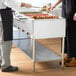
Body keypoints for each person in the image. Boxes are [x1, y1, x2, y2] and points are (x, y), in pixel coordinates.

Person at [0, 0, 32, 72]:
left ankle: (1, 61)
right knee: (6, 41)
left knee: (1, 40)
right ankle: (6, 66)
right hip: (3, 16)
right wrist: (24, 4)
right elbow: (8, 2)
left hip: (1, 16)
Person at [43, 0, 76, 67]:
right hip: (65, 8)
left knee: (73, 34)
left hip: (73, 9)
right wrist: (54, 5)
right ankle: (68, 55)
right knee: (65, 33)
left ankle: (75, 58)